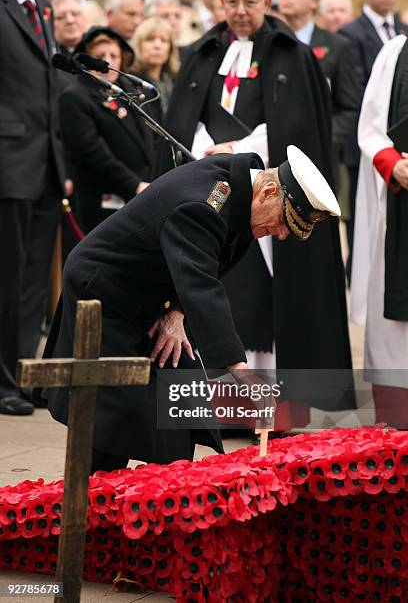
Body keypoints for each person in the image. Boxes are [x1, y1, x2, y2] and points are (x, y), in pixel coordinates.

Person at [45, 147, 341, 471]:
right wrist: (242, 373)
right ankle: (93, 505)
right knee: (112, 416)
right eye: (283, 222)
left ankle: (167, 500)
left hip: (153, 294)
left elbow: (202, 263)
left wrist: (177, 312)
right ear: (269, 191)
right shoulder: (203, 206)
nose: (282, 235)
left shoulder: (242, 190)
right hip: (105, 292)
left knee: (179, 409)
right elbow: (201, 284)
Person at [154, 0, 353, 426]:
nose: (240, 12)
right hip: (208, 187)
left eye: (249, 1)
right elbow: (186, 118)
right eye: (231, 1)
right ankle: (223, 410)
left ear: (267, 1)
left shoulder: (292, 56)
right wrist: (206, 147)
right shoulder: (203, 51)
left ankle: (276, 408)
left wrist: (240, 150)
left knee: (270, 294)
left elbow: (296, 130)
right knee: (215, 282)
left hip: (268, 189)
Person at [0, 0, 65, 415]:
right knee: (7, 274)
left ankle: (22, 377)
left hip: (47, 162)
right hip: (8, 157)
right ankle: (2, 381)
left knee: (34, 283)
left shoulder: (42, 7)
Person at [351, 34, 408, 429]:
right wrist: (394, 164)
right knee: (394, 318)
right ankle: (397, 426)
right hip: (402, 195)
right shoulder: (396, 52)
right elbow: (370, 127)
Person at [339, 0, 408, 281]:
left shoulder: (400, 32)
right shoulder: (391, 51)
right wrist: (393, 162)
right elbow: (366, 109)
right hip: (393, 164)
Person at [59, 26, 153, 234]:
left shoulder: (128, 91)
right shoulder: (75, 96)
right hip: (104, 197)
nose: (108, 61)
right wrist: (133, 185)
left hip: (142, 192)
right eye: (101, 56)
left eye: (114, 55)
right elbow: (90, 151)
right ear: (87, 60)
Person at [278, 0, 359, 190]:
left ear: (314, 2)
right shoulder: (270, 43)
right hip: (273, 155)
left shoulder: (338, 46)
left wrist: (325, 140)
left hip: (319, 160)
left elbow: (349, 107)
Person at [132, 16, 180, 123]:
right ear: (138, 45)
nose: (157, 45)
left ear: (171, 48)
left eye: (164, 40)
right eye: (150, 39)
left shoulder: (174, 81)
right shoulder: (131, 83)